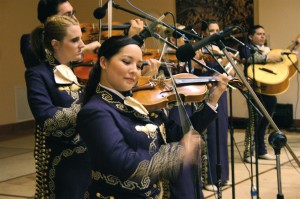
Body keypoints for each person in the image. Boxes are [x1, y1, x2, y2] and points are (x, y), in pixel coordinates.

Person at [76, 35, 230, 198]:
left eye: (138, 65)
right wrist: (178, 153)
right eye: (126, 62)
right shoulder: (95, 111)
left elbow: (178, 135)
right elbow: (123, 163)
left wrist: (212, 101)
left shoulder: (136, 103)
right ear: (103, 62)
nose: (134, 70)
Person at [25, 15, 90, 198]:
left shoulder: (79, 70)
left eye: (81, 39)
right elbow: (47, 119)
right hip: (64, 160)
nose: (82, 45)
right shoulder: (37, 75)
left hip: (92, 157)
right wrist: (89, 107)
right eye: (75, 40)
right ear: (55, 43)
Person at [20, 0, 144, 69]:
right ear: (50, 19)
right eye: (68, 15)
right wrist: (84, 50)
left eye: (74, 13)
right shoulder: (29, 41)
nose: (75, 19)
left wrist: (129, 39)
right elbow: (47, 61)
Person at [193, 19, 234, 191]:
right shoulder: (199, 49)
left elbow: (228, 72)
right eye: (211, 30)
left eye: (218, 29)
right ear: (204, 33)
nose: (215, 33)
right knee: (209, 135)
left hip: (221, 94)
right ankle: (209, 179)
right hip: (206, 93)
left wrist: (227, 62)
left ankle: (222, 176)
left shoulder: (221, 50)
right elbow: (197, 71)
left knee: (221, 134)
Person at [238, 25, 282, 163]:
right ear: (251, 37)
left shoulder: (267, 50)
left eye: (264, 34)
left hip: (268, 88)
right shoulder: (245, 47)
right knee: (254, 121)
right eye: (259, 34)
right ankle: (248, 152)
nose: (262, 36)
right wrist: (268, 57)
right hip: (253, 89)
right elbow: (250, 59)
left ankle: (261, 150)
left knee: (266, 120)